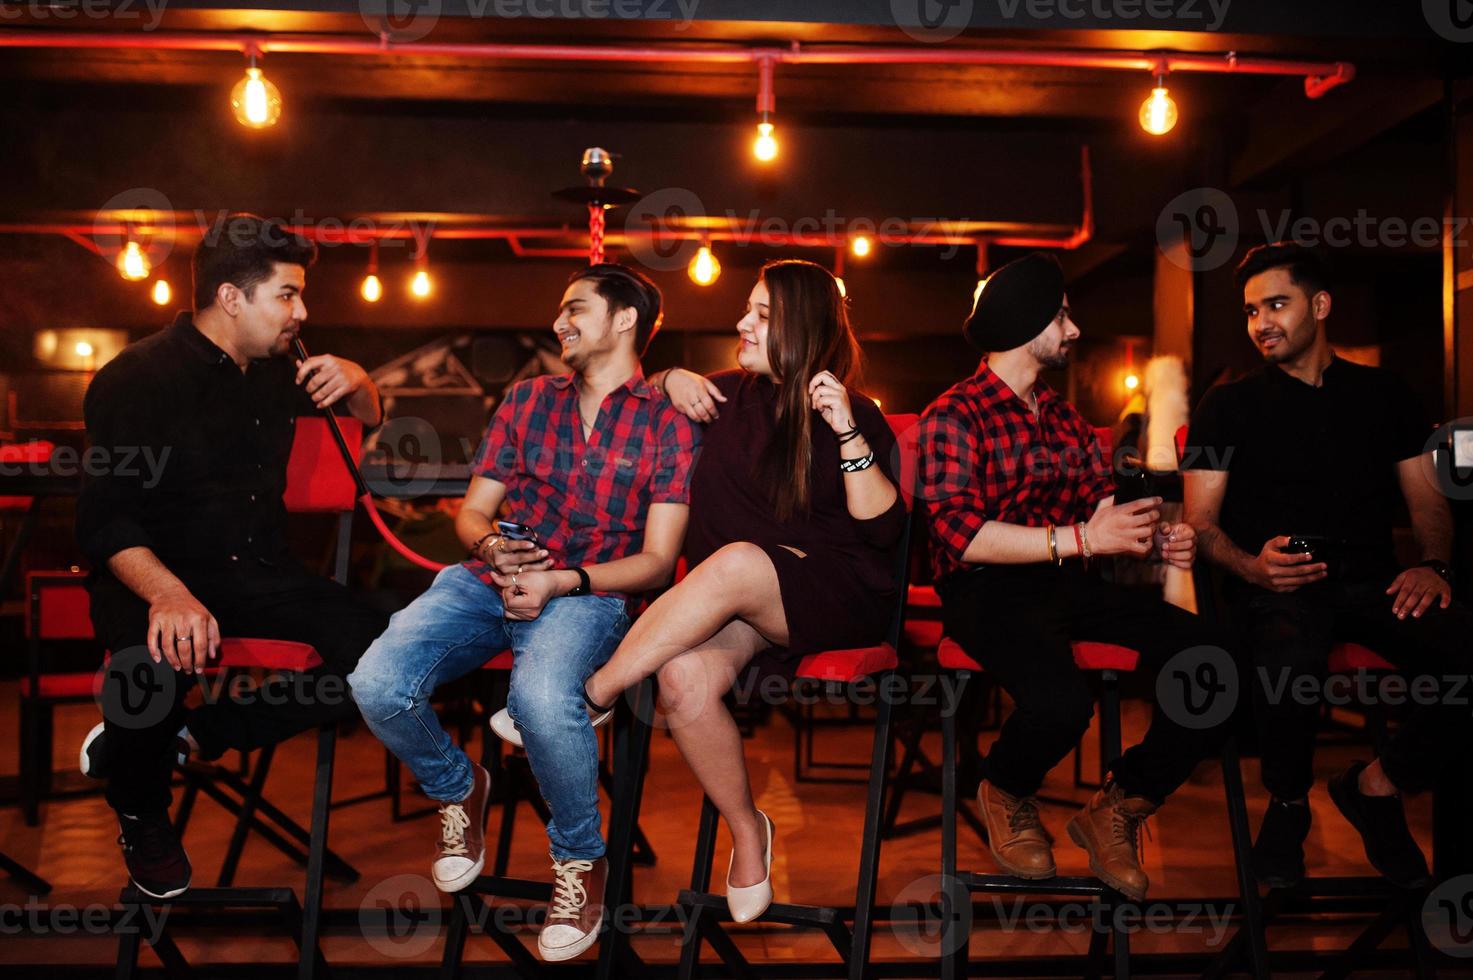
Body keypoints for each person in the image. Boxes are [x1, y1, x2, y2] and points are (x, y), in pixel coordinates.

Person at [496, 259, 905, 934]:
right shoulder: (721, 396)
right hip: (741, 600)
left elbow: (884, 526)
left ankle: (590, 695)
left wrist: (847, 431)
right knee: (682, 677)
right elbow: (644, 391)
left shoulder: (850, 409)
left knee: (736, 560)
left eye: (762, 315)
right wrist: (670, 376)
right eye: (747, 309)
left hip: (835, 596)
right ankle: (748, 830)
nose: (742, 323)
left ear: (801, 327)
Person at [348, 264, 699, 963]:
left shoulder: (669, 423)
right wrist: (490, 548)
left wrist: (561, 581)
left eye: (575, 308)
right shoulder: (529, 398)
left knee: (539, 699)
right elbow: (475, 510)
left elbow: (659, 561)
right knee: (375, 683)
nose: (558, 321)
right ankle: (459, 786)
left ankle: (578, 860)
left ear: (625, 319)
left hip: (589, 589)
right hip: (489, 577)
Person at [75, 213, 387, 900]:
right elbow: (105, 519)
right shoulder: (137, 378)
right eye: (287, 295)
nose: (301, 313)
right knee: (149, 671)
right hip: (151, 573)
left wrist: (357, 376)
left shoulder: (282, 371)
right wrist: (168, 594)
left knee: (389, 654)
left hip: (254, 574)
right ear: (231, 298)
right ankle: (141, 809)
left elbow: (366, 415)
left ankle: (201, 733)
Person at [917, 251, 1227, 901]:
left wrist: (1149, 539)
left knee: (1214, 664)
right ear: (1026, 323)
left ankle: (1118, 806)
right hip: (984, 589)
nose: (1074, 329)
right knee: (1060, 703)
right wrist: (1088, 538)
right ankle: (1005, 787)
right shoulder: (953, 414)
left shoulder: (1064, 419)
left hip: (1068, 582)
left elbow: (1098, 516)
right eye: (1061, 315)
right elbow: (960, 537)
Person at [1184, 242, 1471, 889]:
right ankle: (1286, 806)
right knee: (1289, 653)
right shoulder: (1224, 405)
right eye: (1252, 310)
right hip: (1274, 580)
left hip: (1373, 580)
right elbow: (1198, 523)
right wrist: (1250, 567)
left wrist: (1434, 566)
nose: (1261, 322)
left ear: (1319, 305)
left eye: (1276, 304)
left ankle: (1376, 785)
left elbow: (1427, 504)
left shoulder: (1386, 393)